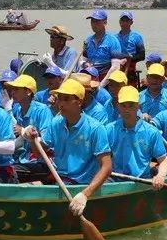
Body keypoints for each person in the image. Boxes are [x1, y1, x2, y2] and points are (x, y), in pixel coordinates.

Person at [22, 78, 112, 216]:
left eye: (66, 99)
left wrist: (85, 194)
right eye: (59, 99)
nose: (61, 104)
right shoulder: (56, 123)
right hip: (59, 180)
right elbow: (40, 153)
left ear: (79, 102)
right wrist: (33, 140)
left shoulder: (96, 128)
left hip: (81, 184)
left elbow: (106, 167)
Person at [106, 85, 167, 183]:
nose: (127, 110)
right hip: (115, 179)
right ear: (118, 106)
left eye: (131, 105)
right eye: (123, 105)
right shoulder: (109, 129)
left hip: (142, 181)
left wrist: (160, 176)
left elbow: (163, 160)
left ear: (138, 106)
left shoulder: (151, 132)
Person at [5, 74, 53, 177]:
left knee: (8, 172)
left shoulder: (42, 110)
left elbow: (47, 142)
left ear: (28, 92)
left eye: (16, 89)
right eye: (12, 89)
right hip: (23, 159)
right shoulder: (18, 110)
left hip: (40, 162)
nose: (12, 92)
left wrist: (22, 131)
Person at [81, 9, 122, 77]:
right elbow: (82, 60)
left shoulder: (113, 41)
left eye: (97, 21)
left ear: (105, 22)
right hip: (90, 76)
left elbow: (115, 67)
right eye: (92, 21)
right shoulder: (87, 41)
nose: (94, 24)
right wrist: (85, 64)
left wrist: (101, 85)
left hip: (106, 78)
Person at [114, 12, 146, 84]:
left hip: (130, 68)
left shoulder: (137, 37)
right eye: (122, 20)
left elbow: (142, 56)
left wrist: (128, 59)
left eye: (127, 20)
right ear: (119, 22)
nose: (124, 23)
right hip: (116, 67)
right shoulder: (114, 38)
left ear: (131, 22)